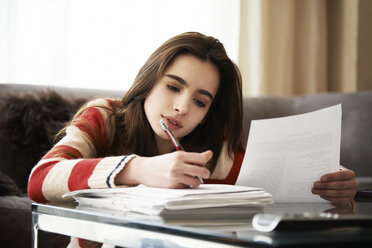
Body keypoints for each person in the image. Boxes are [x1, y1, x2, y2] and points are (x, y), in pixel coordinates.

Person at [28, 32, 357, 208]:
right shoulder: (104, 117)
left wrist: (332, 180)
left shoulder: (211, 153)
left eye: (200, 102)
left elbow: (276, 176)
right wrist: (138, 169)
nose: (182, 108)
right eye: (173, 86)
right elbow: (40, 179)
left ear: (206, 115)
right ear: (149, 82)